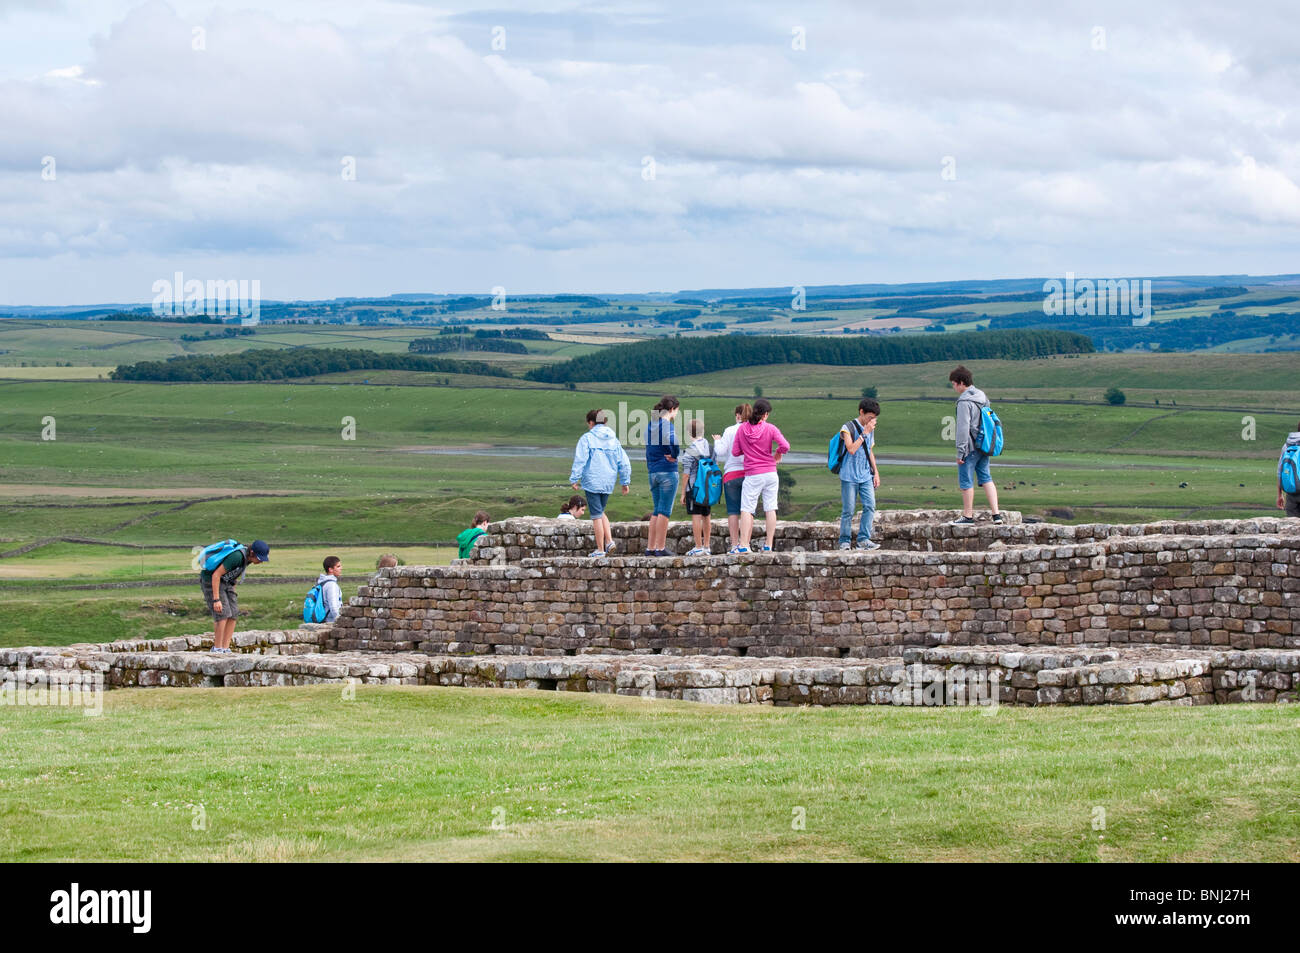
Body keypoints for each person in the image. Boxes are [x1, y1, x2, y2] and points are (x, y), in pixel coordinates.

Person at [569, 407, 632, 557]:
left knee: (596, 515)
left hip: (592, 481)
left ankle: (600, 549)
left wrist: (574, 478)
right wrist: (625, 481)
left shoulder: (587, 438)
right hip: (608, 482)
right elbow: (624, 462)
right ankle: (609, 541)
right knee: (600, 511)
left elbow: (580, 459)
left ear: (591, 422)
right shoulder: (614, 440)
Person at [732, 398, 790, 553]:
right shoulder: (770, 428)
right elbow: (785, 445)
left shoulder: (741, 429)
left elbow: (735, 452)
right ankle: (768, 544)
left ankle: (744, 544)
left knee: (747, 509)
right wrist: (777, 453)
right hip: (770, 472)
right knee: (770, 508)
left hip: (753, 474)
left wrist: (748, 450)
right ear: (765, 415)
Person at [949, 366, 1003, 525]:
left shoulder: (964, 402)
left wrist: (960, 452)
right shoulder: (982, 396)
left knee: (966, 481)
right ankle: (996, 515)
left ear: (960, 383)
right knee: (986, 477)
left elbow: (962, 428)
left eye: (953, 384)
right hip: (984, 446)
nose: (953, 387)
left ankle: (967, 516)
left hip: (970, 447)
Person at [200, 539, 270, 654]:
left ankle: (225, 648)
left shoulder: (248, 559)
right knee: (222, 614)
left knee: (233, 613)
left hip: (228, 583)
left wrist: (232, 591)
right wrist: (216, 599)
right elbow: (216, 575)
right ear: (252, 553)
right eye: (259, 558)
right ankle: (217, 648)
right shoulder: (237, 557)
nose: (261, 561)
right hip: (212, 581)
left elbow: (235, 573)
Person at [839, 398, 882, 550]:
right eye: (870, 418)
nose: (872, 421)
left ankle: (863, 539)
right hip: (849, 475)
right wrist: (864, 433)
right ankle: (844, 541)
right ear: (861, 412)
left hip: (865, 475)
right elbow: (851, 449)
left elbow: (869, 450)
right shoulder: (847, 427)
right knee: (848, 510)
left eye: (874, 419)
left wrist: (875, 472)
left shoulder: (871, 429)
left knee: (870, 506)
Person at [644, 396, 680, 556]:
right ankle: (660, 548)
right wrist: (674, 454)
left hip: (653, 471)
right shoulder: (667, 425)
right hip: (667, 470)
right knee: (664, 511)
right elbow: (673, 442)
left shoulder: (650, 425)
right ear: (672, 409)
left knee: (656, 510)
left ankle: (650, 548)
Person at [712, 403, 749, 552]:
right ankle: (745, 544)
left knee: (733, 512)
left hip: (731, 475)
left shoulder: (729, 430)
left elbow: (720, 452)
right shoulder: (753, 429)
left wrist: (717, 440)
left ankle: (734, 544)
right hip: (749, 474)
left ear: (737, 415)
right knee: (747, 511)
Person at [678, 418, 714, 556]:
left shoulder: (689, 452)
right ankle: (707, 546)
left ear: (689, 433)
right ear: (702, 431)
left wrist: (682, 494)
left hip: (694, 488)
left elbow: (685, 475)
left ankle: (698, 546)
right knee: (706, 515)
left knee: (696, 516)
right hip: (707, 487)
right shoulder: (710, 448)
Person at [1277, 424, 1300, 516]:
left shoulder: (1287, 444)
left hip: (1291, 492)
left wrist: (1279, 495)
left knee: (1292, 526)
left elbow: (1280, 471)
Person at [316, 555, 344, 623]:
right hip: (330, 621)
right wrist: (341, 622)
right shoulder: (332, 585)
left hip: (324, 620)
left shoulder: (322, 582)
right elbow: (334, 608)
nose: (341, 568)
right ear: (330, 569)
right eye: (338, 566)